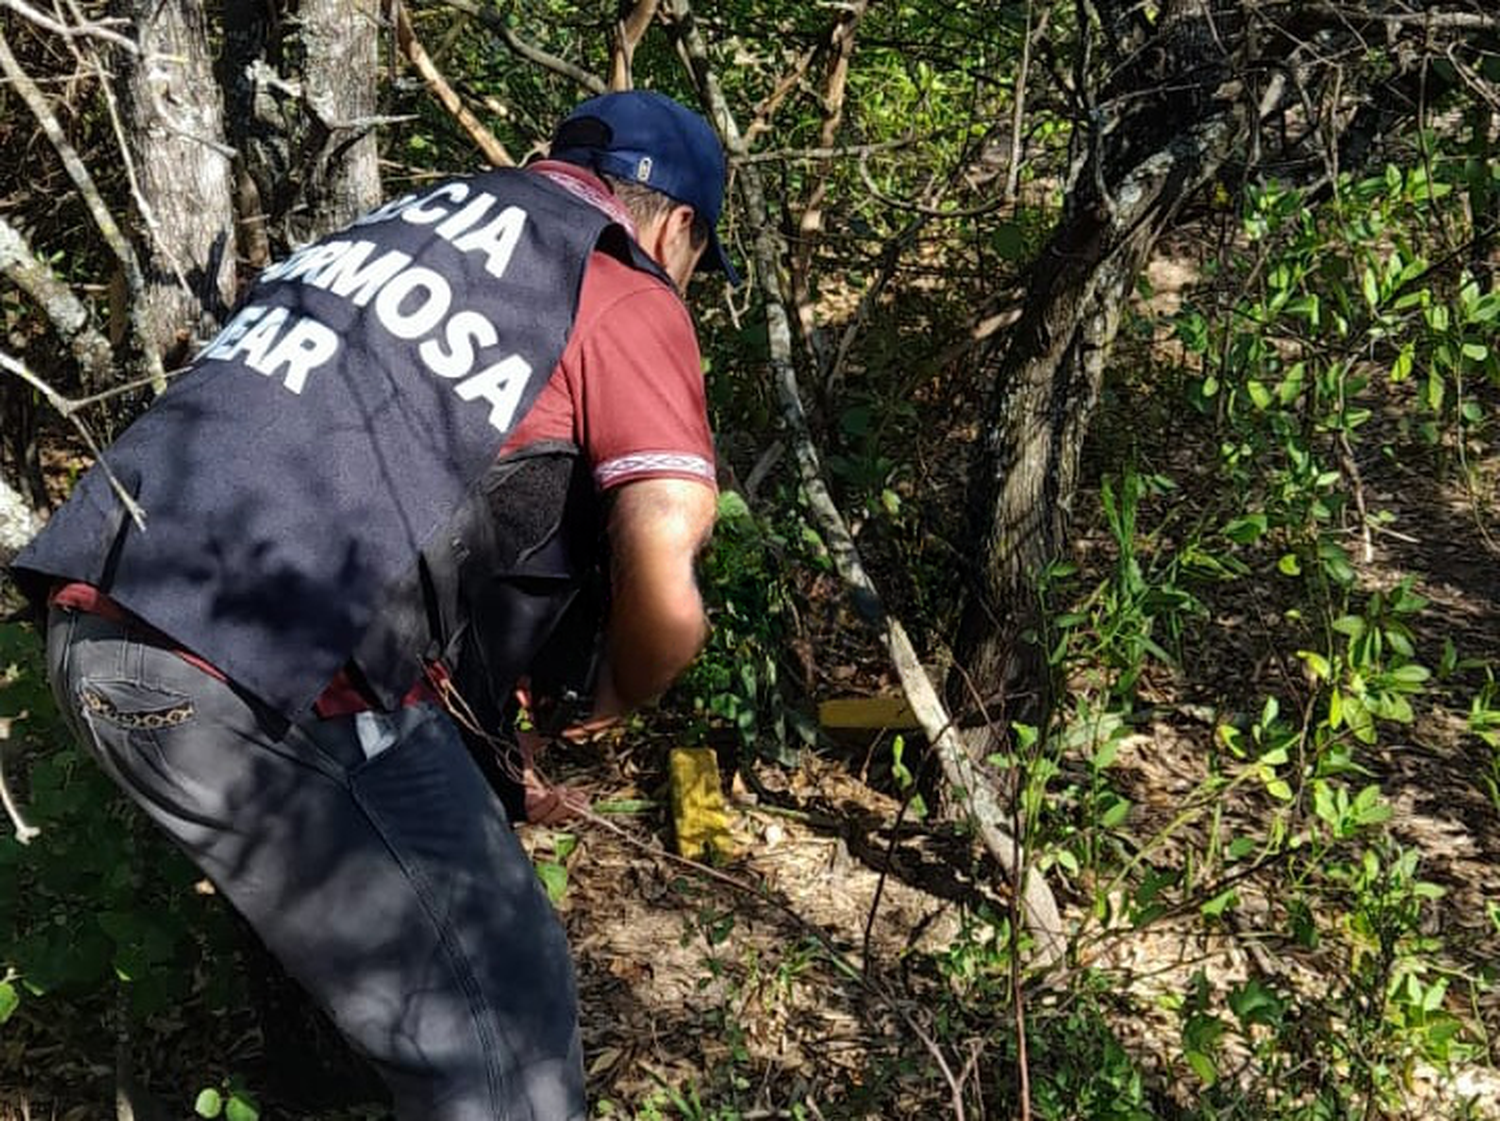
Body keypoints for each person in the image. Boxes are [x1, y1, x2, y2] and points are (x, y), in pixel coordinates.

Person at [12, 89, 732, 1120]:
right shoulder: (618, 276)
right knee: (507, 1034)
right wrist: (619, 685)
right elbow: (670, 600)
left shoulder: (404, 231)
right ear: (678, 227)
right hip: (255, 677)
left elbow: (376, 520)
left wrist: (493, 755)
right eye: (698, 266)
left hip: (102, 625)